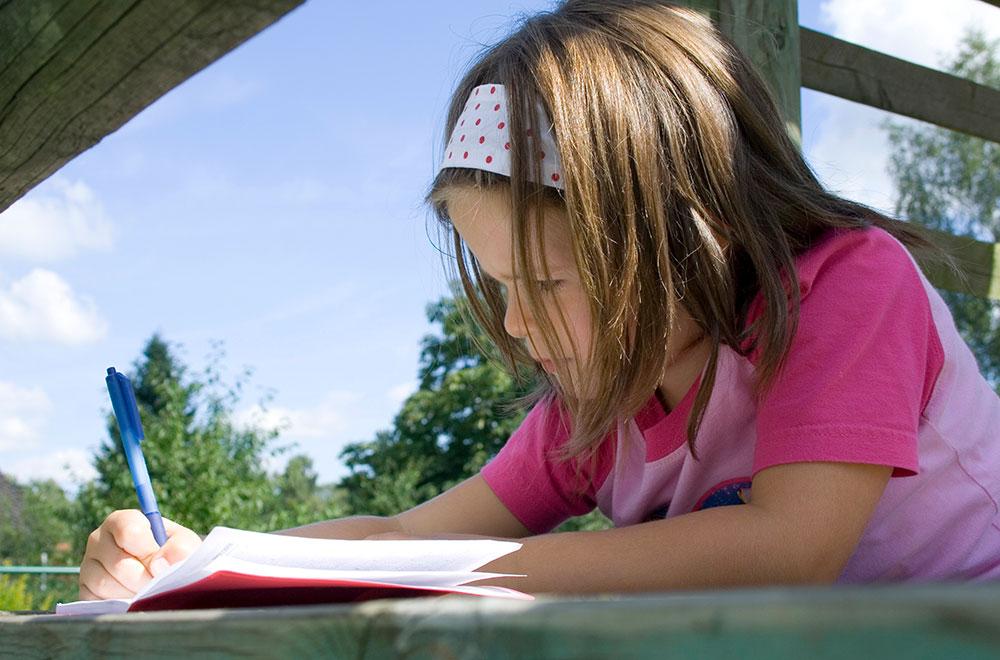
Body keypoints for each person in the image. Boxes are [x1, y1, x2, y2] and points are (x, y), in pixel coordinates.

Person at [79, 0, 1000, 601]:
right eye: (503, 285)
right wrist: (205, 565)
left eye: (549, 281)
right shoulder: (598, 406)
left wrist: (468, 575)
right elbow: (403, 532)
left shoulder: (848, 287)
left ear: (682, 229)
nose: (517, 324)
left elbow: (788, 552)